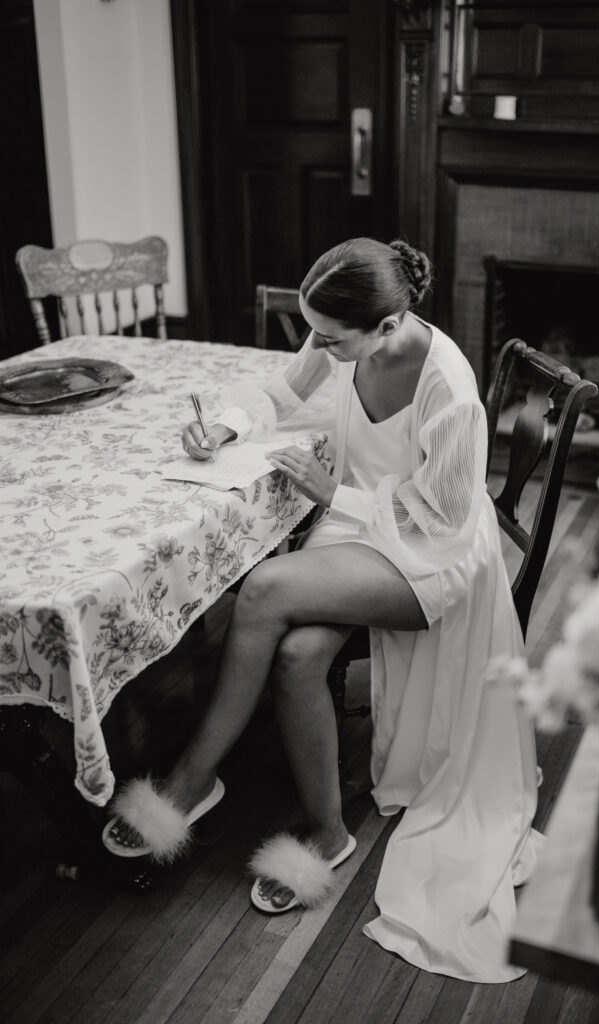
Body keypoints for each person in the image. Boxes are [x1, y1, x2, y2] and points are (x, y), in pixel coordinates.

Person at [102, 237, 542, 983]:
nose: (323, 349)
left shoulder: (449, 390)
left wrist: (330, 493)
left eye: (334, 340)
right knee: (300, 654)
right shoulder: (338, 333)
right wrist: (227, 427)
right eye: (319, 334)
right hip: (361, 527)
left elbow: (441, 521)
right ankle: (327, 832)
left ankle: (190, 780)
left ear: (389, 323)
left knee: (265, 591)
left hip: (431, 559)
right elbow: (279, 392)